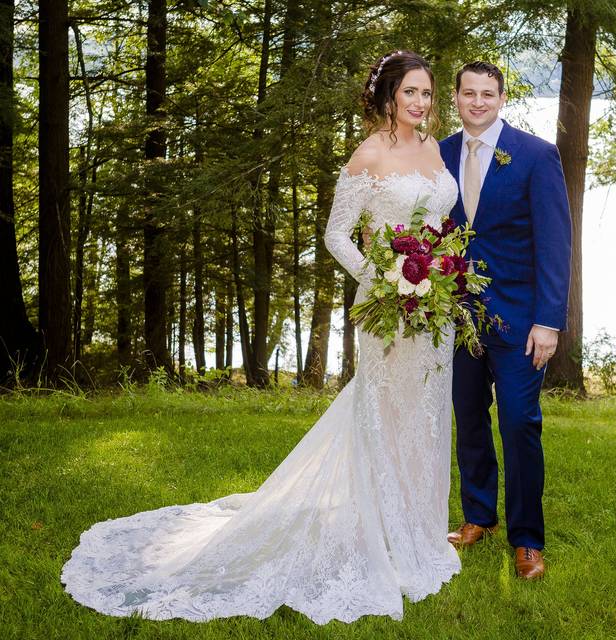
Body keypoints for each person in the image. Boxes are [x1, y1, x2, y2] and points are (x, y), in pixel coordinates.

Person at [60, 50, 461, 625]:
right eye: (411, 94)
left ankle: (420, 533)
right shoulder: (369, 154)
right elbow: (335, 237)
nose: (421, 104)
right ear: (388, 97)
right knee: (385, 417)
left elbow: (437, 224)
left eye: (427, 94)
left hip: (435, 312)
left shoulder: (432, 149)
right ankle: (383, 536)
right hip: (387, 309)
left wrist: (438, 272)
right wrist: (386, 279)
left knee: (423, 417)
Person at [438, 62, 572, 579]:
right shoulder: (440, 154)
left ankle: (527, 539)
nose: (477, 102)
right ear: (455, 97)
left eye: (487, 94)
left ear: (502, 98)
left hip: (519, 320)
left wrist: (549, 321)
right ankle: (478, 517)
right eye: (468, 93)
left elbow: (556, 244)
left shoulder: (536, 155)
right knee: (468, 419)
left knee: (519, 424)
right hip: (455, 317)